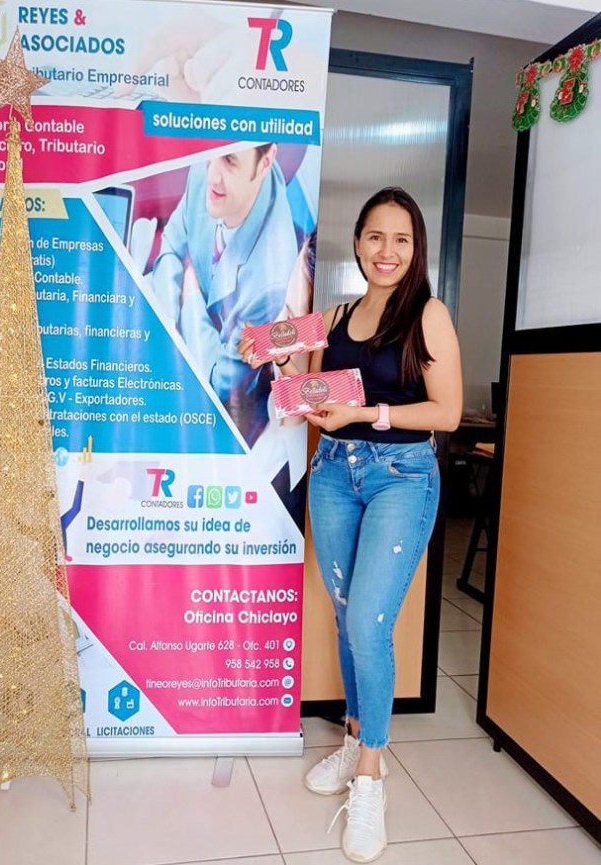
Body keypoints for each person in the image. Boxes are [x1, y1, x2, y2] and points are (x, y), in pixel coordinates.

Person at [240, 187, 462, 862]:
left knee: (368, 621)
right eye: (374, 236)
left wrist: (366, 415)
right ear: (358, 243)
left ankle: (370, 776)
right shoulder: (333, 317)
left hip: (402, 477)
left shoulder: (427, 315)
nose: (386, 251)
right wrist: (270, 355)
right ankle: (355, 737)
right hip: (335, 471)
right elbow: (301, 383)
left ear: (415, 248)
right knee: (345, 615)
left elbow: (447, 412)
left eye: (400, 239)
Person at [151, 144, 298, 446]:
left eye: (231, 161)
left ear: (265, 162)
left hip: (223, 418)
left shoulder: (271, 282)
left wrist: (190, 295)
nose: (212, 176)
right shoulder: (208, 167)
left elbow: (219, 383)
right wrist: (164, 327)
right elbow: (170, 246)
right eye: (214, 156)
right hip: (186, 350)